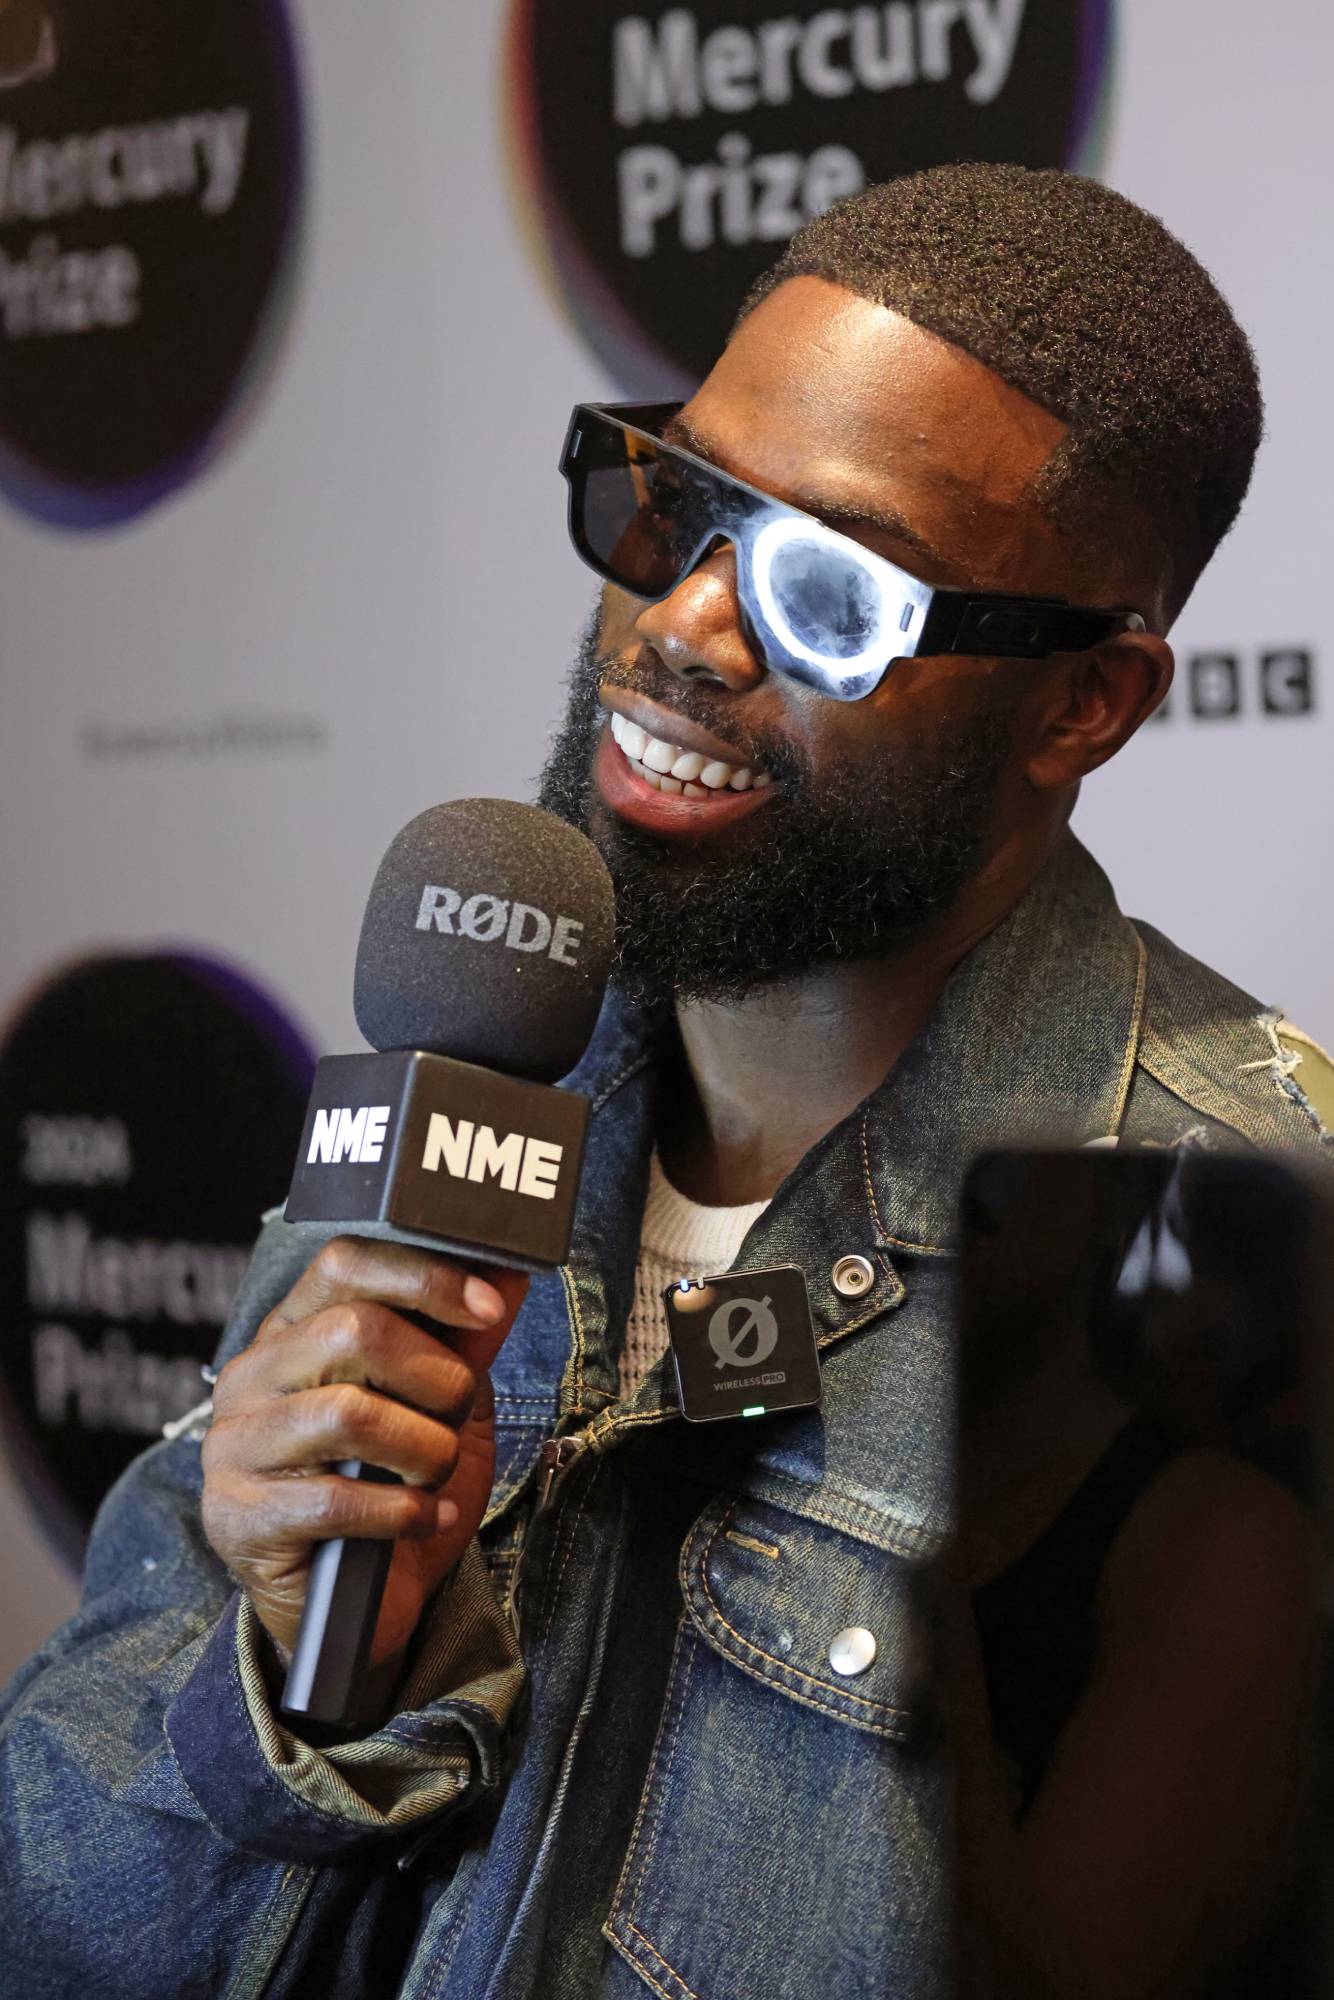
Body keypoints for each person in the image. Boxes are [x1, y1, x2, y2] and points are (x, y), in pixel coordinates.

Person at [2, 164, 1329, 2000]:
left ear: (1080, 704)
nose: (684, 628)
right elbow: (53, 1918)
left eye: (826, 585)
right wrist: (296, 1703)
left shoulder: (1246, 1258)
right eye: (682, 502)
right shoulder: (453, 1100)